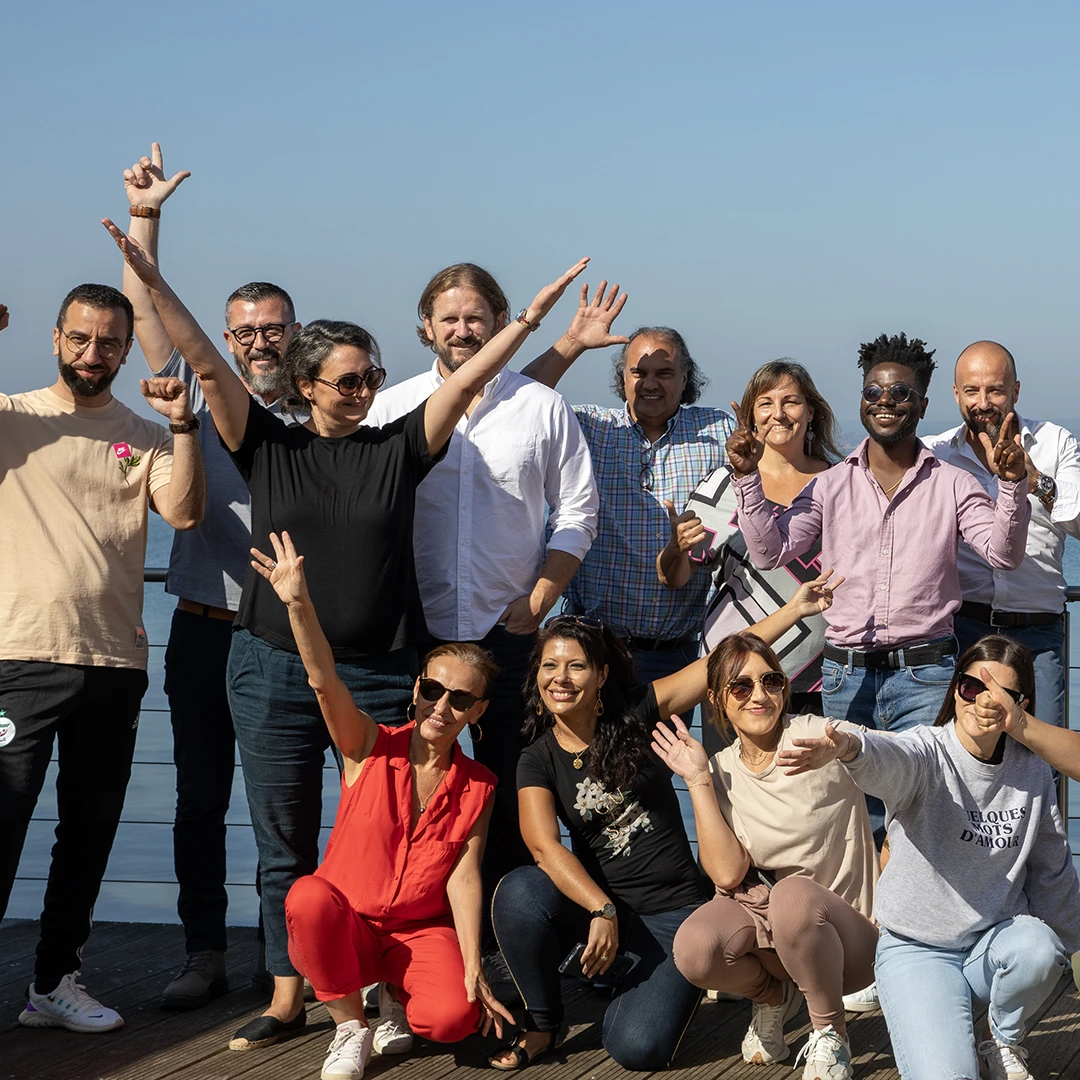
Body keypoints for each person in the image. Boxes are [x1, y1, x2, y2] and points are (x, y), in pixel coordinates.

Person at [105, 214, 588, 1049]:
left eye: (370, 377)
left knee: (398, 836)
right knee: (281, 836)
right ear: (307, 385)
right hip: (269, 667)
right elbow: (206, 361)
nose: (363, 390)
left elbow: (470, 378)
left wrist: (534, 322)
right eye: (346, 381)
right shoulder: (264, 445)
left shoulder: (401, 446)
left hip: (378, 671)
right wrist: (146, 272)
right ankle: (295, 995)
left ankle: (402, 977)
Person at [489, 573, 840, 1072]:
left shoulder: (637, 714)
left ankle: (769, 992)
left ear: (602, 675)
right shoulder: (536, 759)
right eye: (550, 666)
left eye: (576, 666)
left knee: (636, 1049)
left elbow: (717, 666)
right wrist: (601, 910)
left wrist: (796, 611)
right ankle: (544, 1024)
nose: (560, 678)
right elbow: (545, 847)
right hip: (603, 908)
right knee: (521, 891)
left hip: (676, 913)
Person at [119, 143, 304, 1008]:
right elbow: (148, 305)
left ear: (294, 335)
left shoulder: (324, 414)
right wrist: (147, 215)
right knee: (198, 805)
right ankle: (203, 954)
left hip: (290, 638)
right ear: (223, 341)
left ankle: (294, 966)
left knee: (287, 821)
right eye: (244, 331)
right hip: (200, 627)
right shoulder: (195, 391)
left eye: (272, 328)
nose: (258, 342)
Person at [364, 264, 603, 923]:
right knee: (414, 789)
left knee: (515, 787)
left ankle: (512, 939)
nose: (463, 329)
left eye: (476, 317)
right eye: (449, 318)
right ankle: (416, 929)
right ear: (425, 328)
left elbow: (579, 511)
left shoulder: (541, 406)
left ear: (501, 323)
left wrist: (543, 596)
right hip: (416, 633)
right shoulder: (391, 408)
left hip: (512, 630)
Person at [730, 332, 1031, 842]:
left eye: (899, 393)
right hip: (847, 679)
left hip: (927, 675)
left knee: (925, 817)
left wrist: (1011, 484)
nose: (885, 402)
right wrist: (745, 480)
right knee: (864, 823)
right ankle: (869, 924)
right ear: (862, 399)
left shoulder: (954, 483)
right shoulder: (829, 484)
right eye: (874, 392)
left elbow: (1003, 553)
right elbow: (770, 552)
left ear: (923, 405)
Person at [0, 285, 204, 1031]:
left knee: (88, 831)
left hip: (114, 663)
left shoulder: (143, 434)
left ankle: (54, 982)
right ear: (56, 338)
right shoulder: (11, 416)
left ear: (124, 348)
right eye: (80, 339)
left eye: (109, 342)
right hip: (15, 660)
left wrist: (182, 425)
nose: (94, 354)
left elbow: (181, 511)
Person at [241, 531, 515, 1080]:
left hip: (417, 933)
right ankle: (350, 1025)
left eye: (460, 699)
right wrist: (297, 603)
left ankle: (396, 994)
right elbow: (323, 680)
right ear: (416, 689)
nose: (442, 707)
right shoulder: (368, 746)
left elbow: (464, 878)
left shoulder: (479, 784)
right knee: (307, 897)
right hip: (351, 924)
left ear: (477, 711)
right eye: (433, 690)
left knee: (453, 1019)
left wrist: (472, 964)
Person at [780, 635, 1080, 1080]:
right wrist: (848, 748)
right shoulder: (928, 750)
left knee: (1039, 948)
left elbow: (1053, 867)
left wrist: (1073, 948)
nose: (982, 703)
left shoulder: (1032, 769)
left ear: (1021, 704)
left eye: (1000, 695)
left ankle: (1002, 1040)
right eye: (972, 687)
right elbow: (890, 757)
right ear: (955, 690)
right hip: (918, 951)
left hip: (991, 947)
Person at [653, 632, 876, 1080]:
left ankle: (831, 1034)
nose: (759, 695)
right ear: (716, 697)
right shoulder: (719, 769)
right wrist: (697, 780)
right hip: (773, 931)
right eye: (741, 686)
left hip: (846, 945)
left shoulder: (816, 735)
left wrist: (850, 749)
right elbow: (727, 872)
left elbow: (900, 757)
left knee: (793, 895)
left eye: (771, 681)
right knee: (694, 949)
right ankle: (773, 998)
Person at [524, 325, 735, 700]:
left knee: (669, 759)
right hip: (592, 650)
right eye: (639, 372)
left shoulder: (718, 431)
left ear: (685, 378)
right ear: (622, 378)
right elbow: (519, 398)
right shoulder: (589, 427)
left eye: (664, 373)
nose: (650, 383)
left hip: (679, 655)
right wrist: (572, 343)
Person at [658, 359, 840, 744]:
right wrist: (675, 549)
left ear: (811, 412)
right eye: (765, 403)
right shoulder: (723, 485)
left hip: (820, 676)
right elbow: (674, 576)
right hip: (733, 676)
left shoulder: (840, 483)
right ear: (751, 418)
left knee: (813, 800)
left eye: (791, 401)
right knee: (729, 797)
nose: (779, 414)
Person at [926, 339, 1080, 730]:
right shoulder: (935, 454)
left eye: (994, 390)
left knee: (1045, 757)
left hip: (1039, 632)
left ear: (1015, 391)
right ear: (956, 393)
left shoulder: (1055, 441)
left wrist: (1036, 480)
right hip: (962, 629)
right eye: (972, 391)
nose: (983, 402)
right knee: (963, 755)